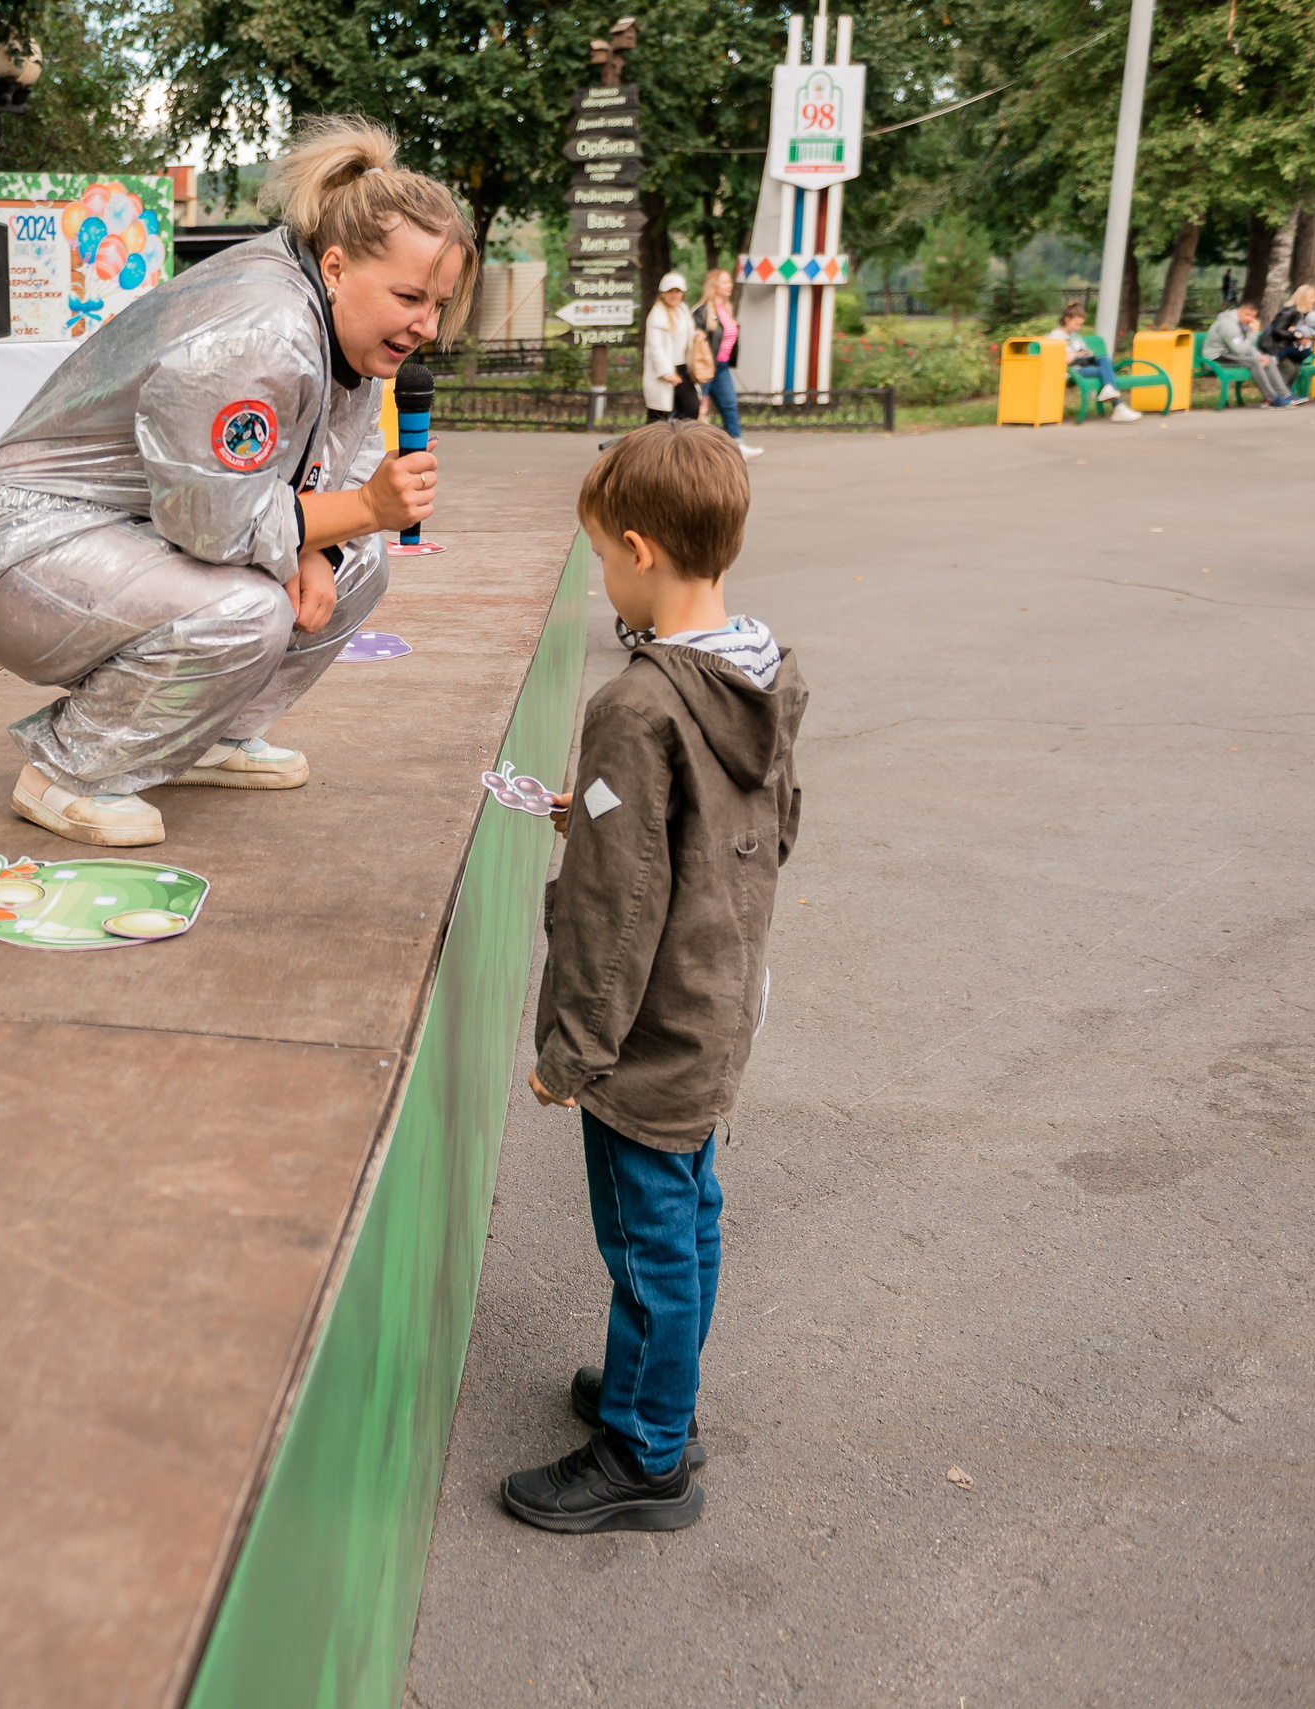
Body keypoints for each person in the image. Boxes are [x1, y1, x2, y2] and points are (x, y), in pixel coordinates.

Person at [0, 115, 474, 846]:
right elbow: (215, 525)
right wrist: (365, 507)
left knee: (359, 565)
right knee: (247, 607)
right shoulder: (263, 332)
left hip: (134, 530)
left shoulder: (336, 322)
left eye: (438, 305)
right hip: (20, 544)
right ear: (339, 266)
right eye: (411, 298)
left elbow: (329, 460)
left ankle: (203, 736)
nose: (427, 327)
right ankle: (72, 770)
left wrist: (326, 544)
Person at [500, 421, 807, 1535]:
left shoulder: (638, 707)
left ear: (638, 548)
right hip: (721, 998)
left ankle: (645, 1451)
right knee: (687, 1216)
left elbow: (611, 908)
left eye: (598, 555)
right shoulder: (762, 672)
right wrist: (591, 810)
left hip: (650, 1026)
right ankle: (651, 1394)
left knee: (647, 1239)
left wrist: (569, 1051)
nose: (598, 575)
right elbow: (757, 831)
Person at [689, 269, 761, 459]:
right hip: (705, 368)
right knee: (699, 408)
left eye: (729, 282)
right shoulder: (702, 311)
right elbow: (695, 339)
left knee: (729, 404)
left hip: (721, 367)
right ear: (714, 286)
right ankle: (690, 447)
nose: (729, 285)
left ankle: (736, 445)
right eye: (725, 282)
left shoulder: (727, 309)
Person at [1205, 301, 1304, 408]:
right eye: (1246, 314)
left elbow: (1246, 346)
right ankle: (1272, 399)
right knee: (1254, 362)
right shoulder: (1228, 325)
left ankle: (1285, 395)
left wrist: (1259, 355)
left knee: (1267, 359)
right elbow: (1240, 350)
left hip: (1230, 354)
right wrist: (1253, 333)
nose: (1249, 318)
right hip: (1215, 358)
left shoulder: (1243, 324)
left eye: (1253, 316)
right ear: (1239, 311)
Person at [1052, 303, 1141, 422]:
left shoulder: (1075, 336)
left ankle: (1112, 395)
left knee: (1104, 359)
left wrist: (1086, 353)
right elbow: (1057, 360)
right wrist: (1075, 355)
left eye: (1080, 325)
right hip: (1070, 371)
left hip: (1083, 365)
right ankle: (1118, 406)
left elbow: (1084, 352)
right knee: (1104, 371)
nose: (1078, 327)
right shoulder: (1055, 336)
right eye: (1076, 324)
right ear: (1067, 319)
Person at [642, 272, 697, 424]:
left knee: (691, 408)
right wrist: (666, 373)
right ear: (662, 293)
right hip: (664, 371)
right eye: (670, 291)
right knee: (658, 415)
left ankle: (680, 444)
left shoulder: (683, 310)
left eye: (677, 291)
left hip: (682, 368)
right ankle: (650, 447)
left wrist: (697, 336)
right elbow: (655, 346)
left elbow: (686, 334)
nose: (674, 295)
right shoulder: (657, 315)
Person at [1265, 283, 1315, 382]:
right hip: (1278, 347)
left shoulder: (1305, 313)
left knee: (1295, 369)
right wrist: (1297, 337)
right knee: (1289, 369)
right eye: (1312, 297)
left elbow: (1306, 330)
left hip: (1292, 347)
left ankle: (1287, 395)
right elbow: (1277, 330)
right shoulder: (1288, 311)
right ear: (1303, 298)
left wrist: (1311, 336)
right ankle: (1277, 395)